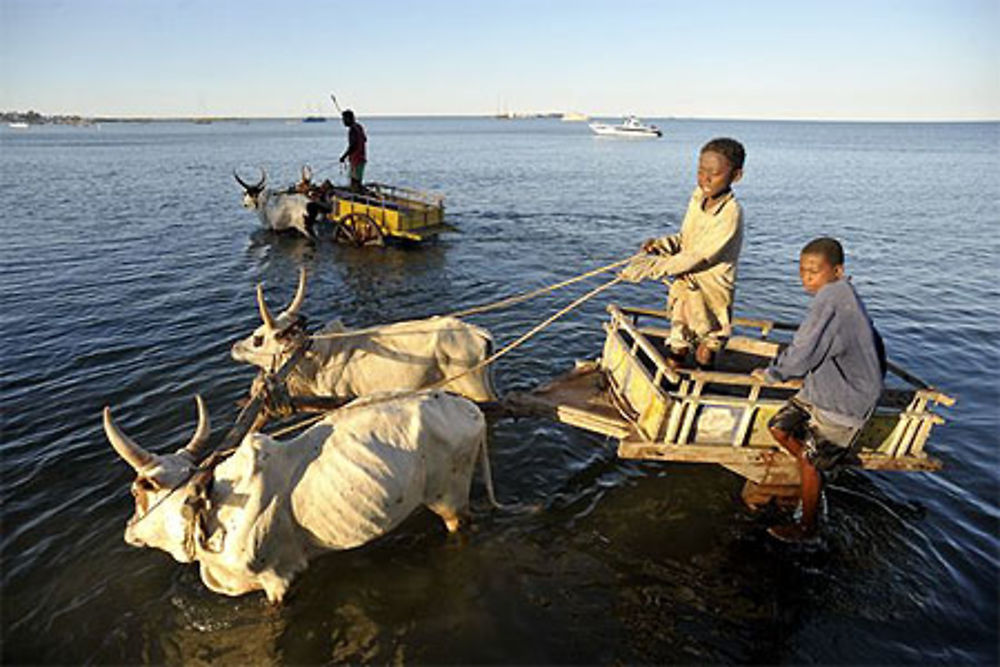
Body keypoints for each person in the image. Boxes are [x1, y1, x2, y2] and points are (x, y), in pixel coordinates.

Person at [751, 237, 886, 543]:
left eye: (815, 271)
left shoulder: (833, 299)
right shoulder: (839, 295)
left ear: (838, 271)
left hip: (845, 400)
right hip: (821, 389)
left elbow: (803, 350)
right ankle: (813, 469)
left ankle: (808, 528)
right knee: (779, 428)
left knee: (812, 461)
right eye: (802, 270)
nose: (807, 277)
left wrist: (774, 373)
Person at [619, 137, 745, 369]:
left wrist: (650, 268)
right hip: (686, 284)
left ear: (736, 176)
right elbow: (686, 239)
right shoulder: (698, 198)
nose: (705, 179)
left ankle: (702, 388)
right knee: (678, 338)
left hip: (712, 288)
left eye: (714, 174)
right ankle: (672, 384)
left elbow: (698, 257)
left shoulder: (730, 214)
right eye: (701, 171)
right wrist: (661, 245)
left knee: (708, 343)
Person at [338, 109, 367, 192]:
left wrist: (343, 157)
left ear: (349, 119)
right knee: (357, 181)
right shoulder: (359, 127)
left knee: (354, 182)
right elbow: (364, 139)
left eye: (344, 119)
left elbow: (352, 146)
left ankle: (357, 201)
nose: (343, 122)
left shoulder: (352, 130)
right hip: (361, 158)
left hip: (356, 160)